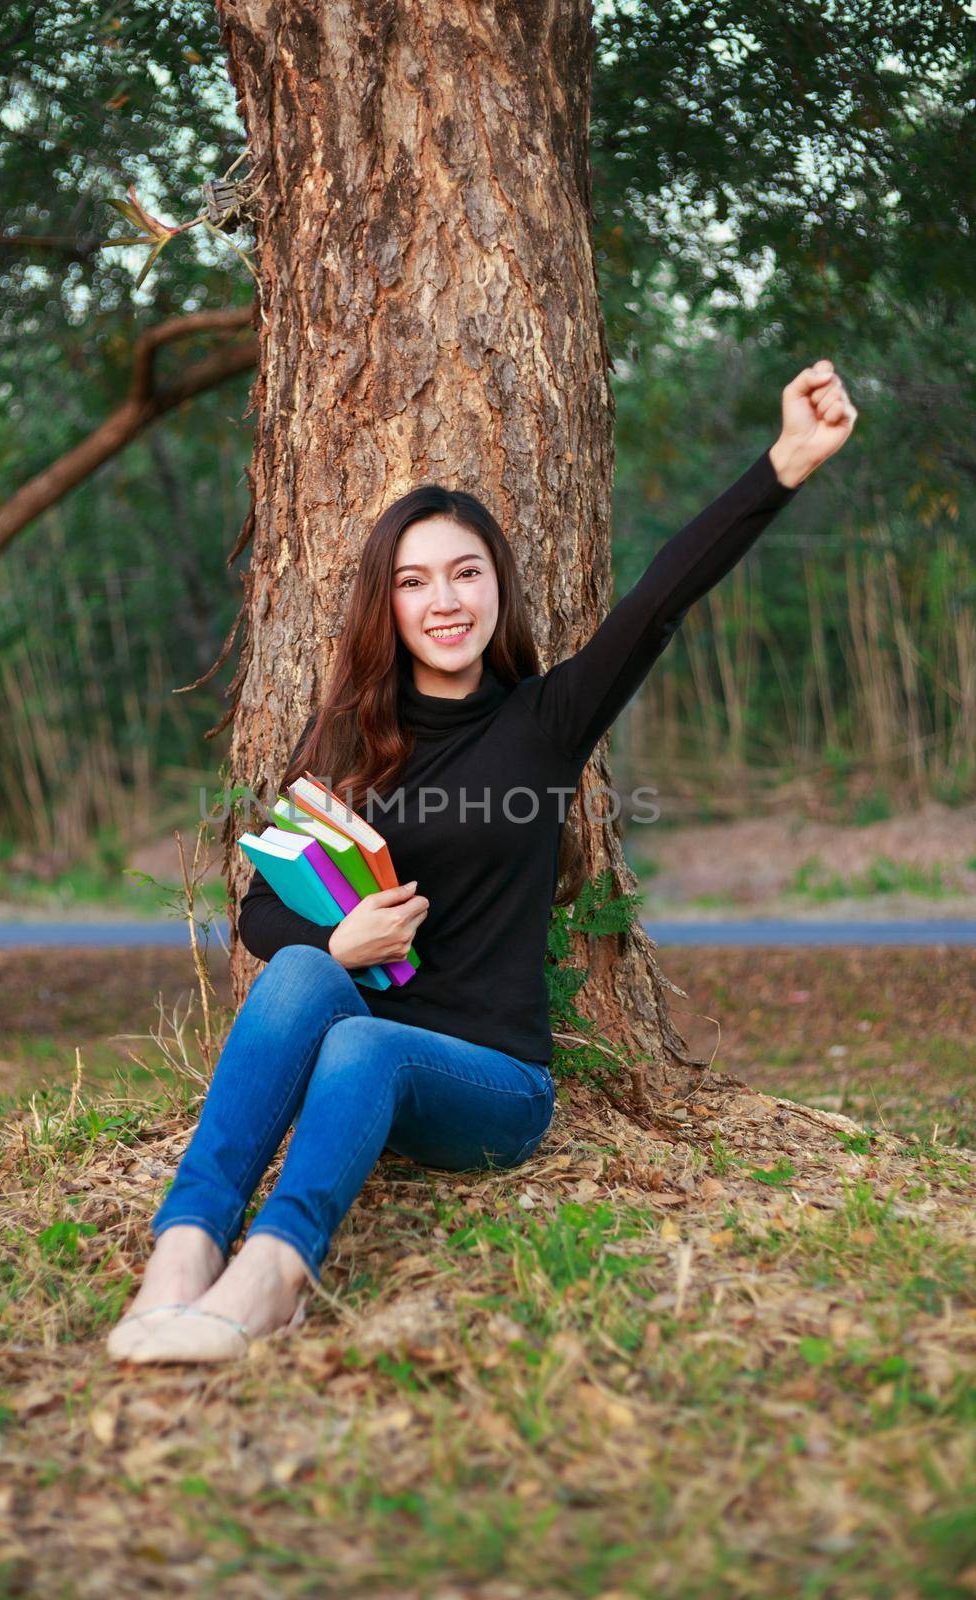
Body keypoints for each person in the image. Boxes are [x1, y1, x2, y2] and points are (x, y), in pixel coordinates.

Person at [107, 359, 856, 1364]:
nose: (445, 600)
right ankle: (184, 1254)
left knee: (364, 1044)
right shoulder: (346, 737)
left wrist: (784, 464)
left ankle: (274, 1279)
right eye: (415, 581)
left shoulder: (544, 722)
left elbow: (661, 596)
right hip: (358, 1061)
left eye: (466, 572)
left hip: (493, 1083)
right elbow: (260, 913)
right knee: (299, 973)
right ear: (390, 604)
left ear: (497, 585)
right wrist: (341, 938)